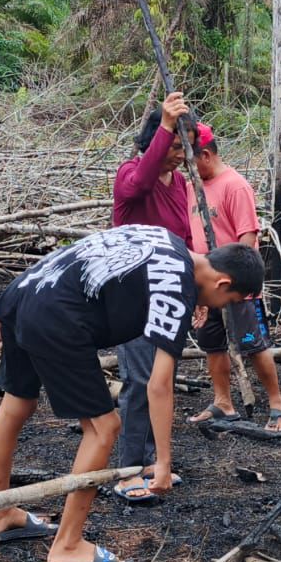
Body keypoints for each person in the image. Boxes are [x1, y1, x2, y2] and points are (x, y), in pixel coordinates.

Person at [0, 226, 263, 562]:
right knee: (103, 428)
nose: (222, 308)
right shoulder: (179, 288)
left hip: (31, 297)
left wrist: (2, 309)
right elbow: (158, 384)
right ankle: (68, 545)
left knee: (17, 403)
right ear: (223, 284)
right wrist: (161, 462)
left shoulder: (164, 238)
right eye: (230, 303)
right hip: (62, 320)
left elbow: (70, 253)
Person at [107, 91, 202, 502]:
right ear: (156, 139)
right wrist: (165, 125)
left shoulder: (179, 182)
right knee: (138, 379)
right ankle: (128, 468)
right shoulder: (132, 173)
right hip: (131, 293)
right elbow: (139, 183)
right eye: (177, 146)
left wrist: (193, 291)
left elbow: (182, 238)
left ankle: (150, 460)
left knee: (160, 379)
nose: (183, 155)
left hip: (165, 292)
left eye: (188, 147)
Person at [182, 126, 281, 435]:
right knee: (212, 345)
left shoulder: (235, 186)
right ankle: (223, 402)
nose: (186, 168)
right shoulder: (193, 187)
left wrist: (242, 286)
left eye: (190, 160)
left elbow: (248, 238)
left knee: (253, 344)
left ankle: (277, 403)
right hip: (206, 285)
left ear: (205, 154)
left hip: (234, 287)